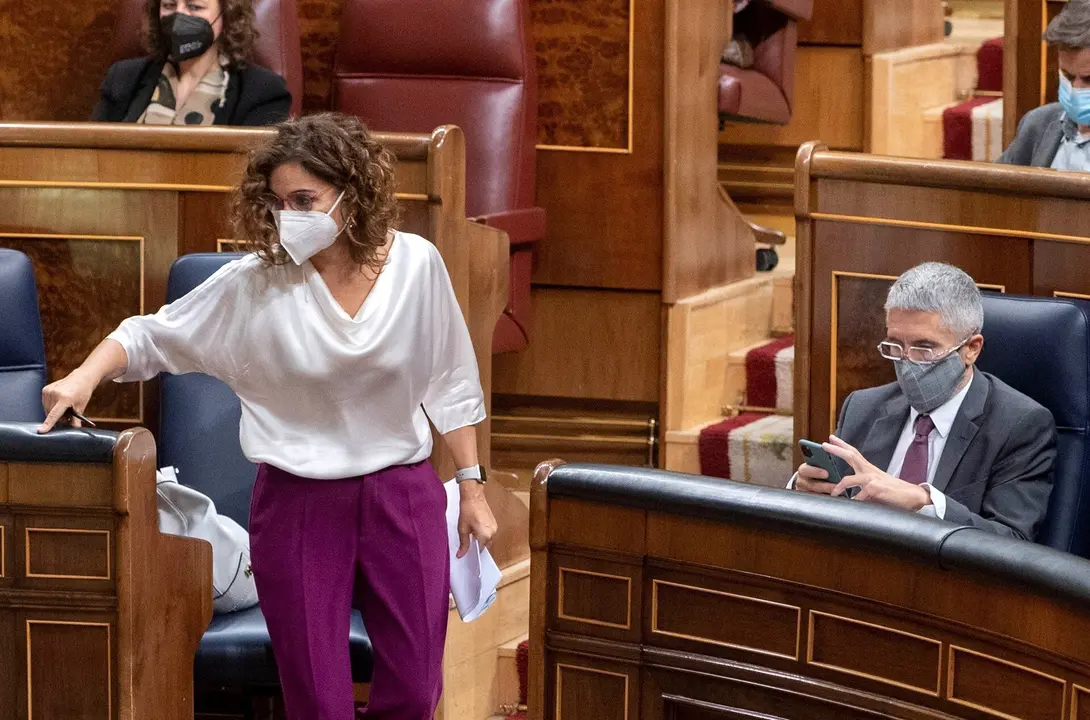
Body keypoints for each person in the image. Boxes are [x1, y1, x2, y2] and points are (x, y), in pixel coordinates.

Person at [37, 112, 497, 719]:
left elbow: (451, 382)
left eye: (304, 200)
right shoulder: (256, 284)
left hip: (401, 495)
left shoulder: (418, 264)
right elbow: (149, 335)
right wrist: (83, 376)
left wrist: (471, 488)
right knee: (317, 700)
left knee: (415, 688)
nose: (289, 217)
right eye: (278, 203)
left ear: (352, 194)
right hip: (298, 504)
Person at [792, 263, 1055, 541]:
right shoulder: (863, 407)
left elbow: (1012, 540)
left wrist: (922, 501)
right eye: (895, 346)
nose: (907, 362)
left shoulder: (1020, 426)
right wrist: (804, 489)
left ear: (971, 349)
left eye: (924, 348)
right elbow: (833, 499)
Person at [92, 0, 290, 126]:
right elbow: (96, 157)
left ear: (226, 15)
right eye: (169, 5)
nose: (179, 16)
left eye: (194, 7)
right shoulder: (123, 78)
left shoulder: (263, 92)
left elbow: (255, 174)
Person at [999, 0, 1090, 170]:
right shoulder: (1038, 123)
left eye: (1089, 79)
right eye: (1068, 76)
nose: (1076, 89)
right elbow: (994, 185)